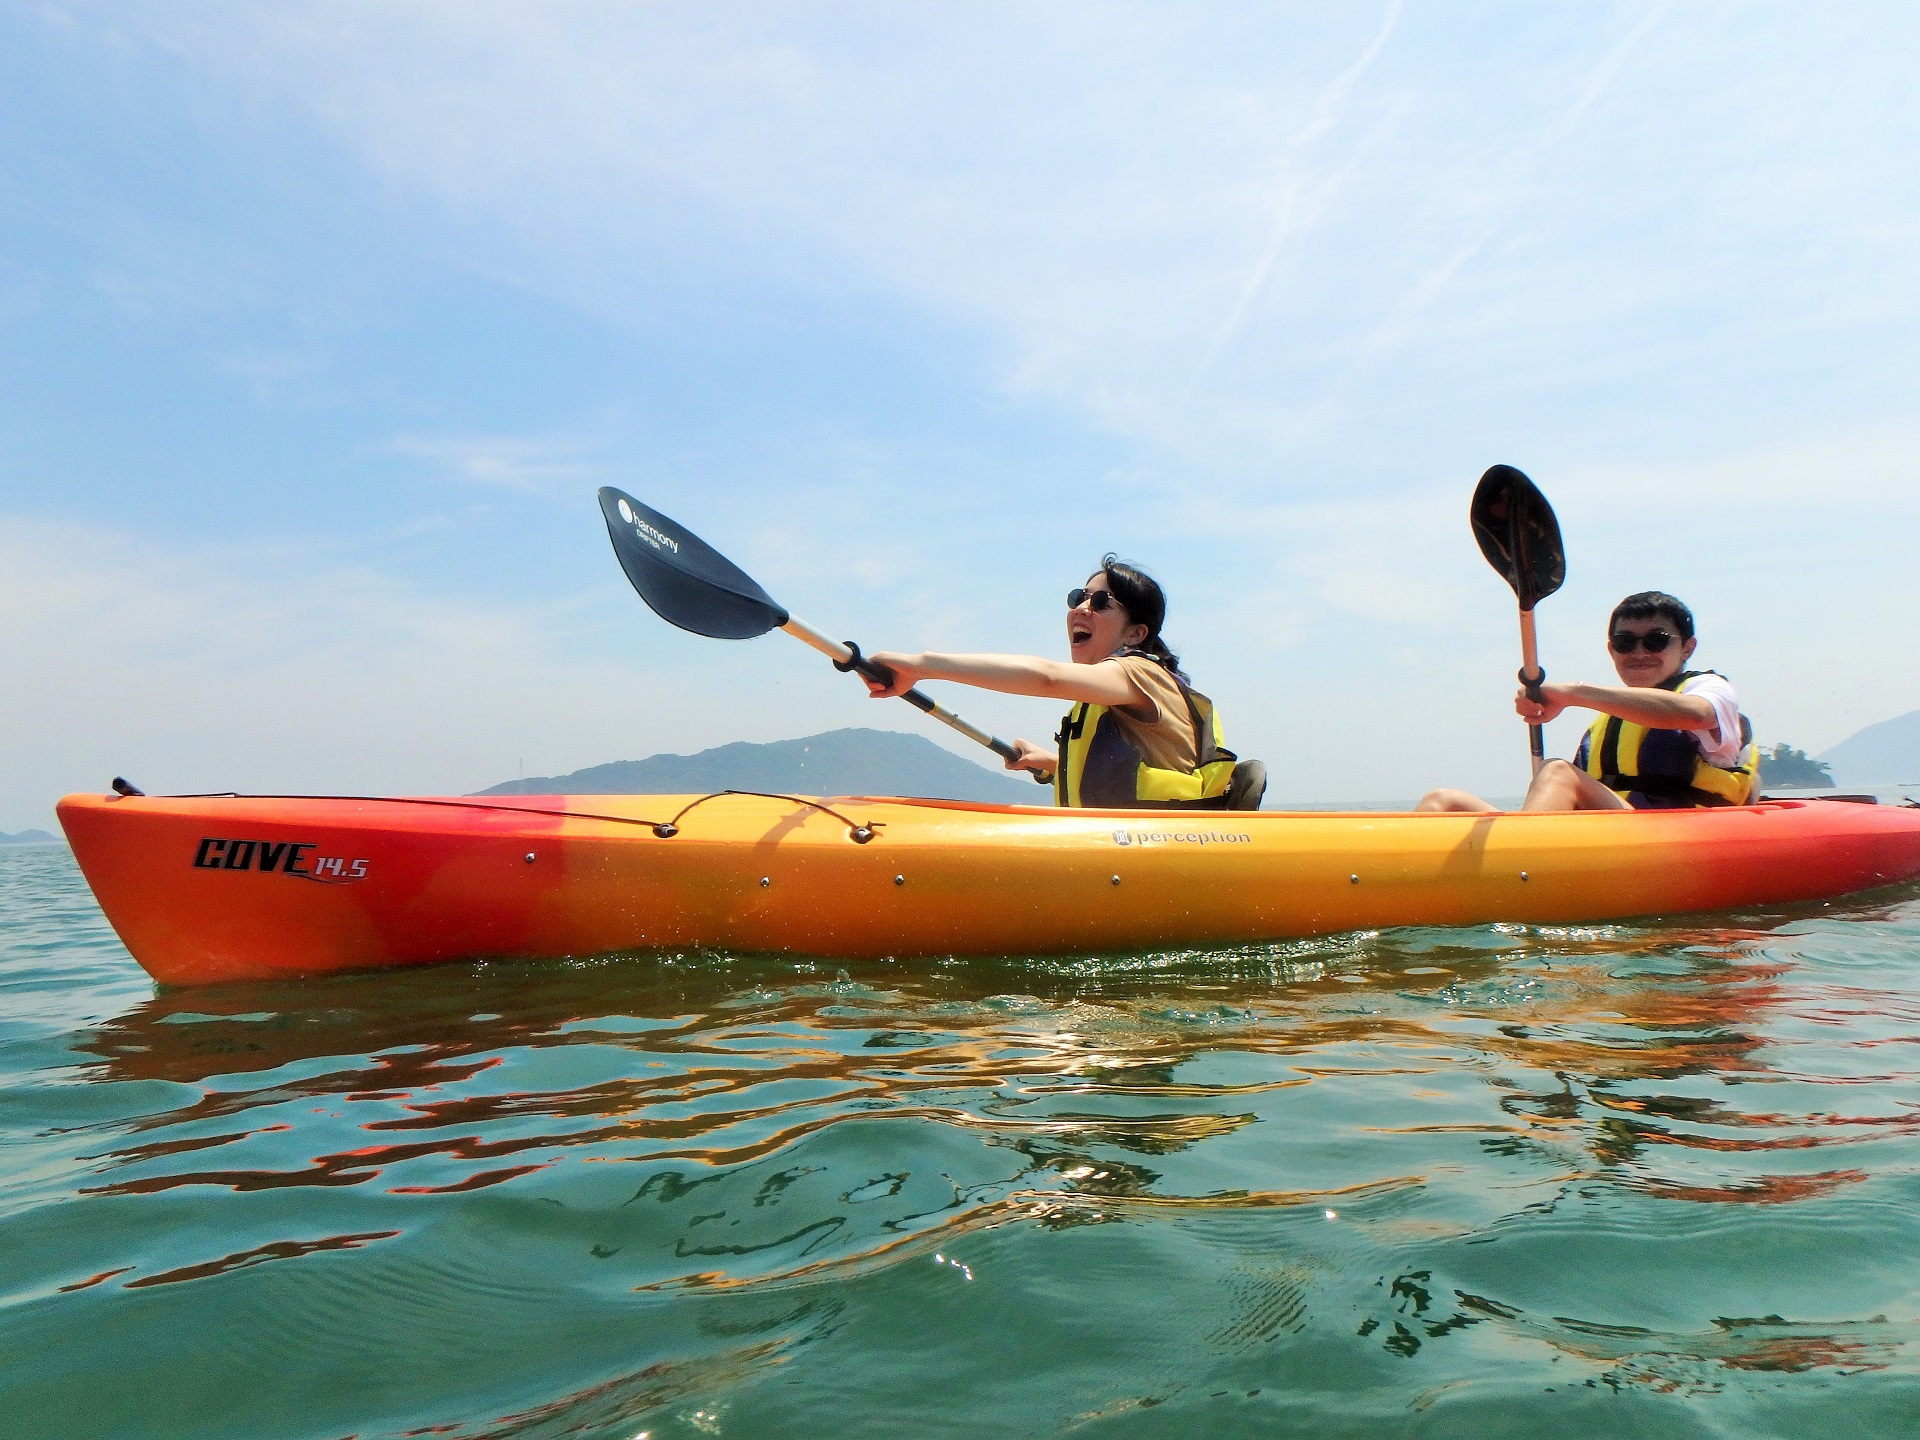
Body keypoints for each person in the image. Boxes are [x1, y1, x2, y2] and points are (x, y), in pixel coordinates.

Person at [862, 555, 1262, 809]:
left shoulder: (1142, 673)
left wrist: (921, 665)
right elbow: (1127, 774)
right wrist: (1056, 765)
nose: (1082, 608)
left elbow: (1047, 679)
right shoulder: (1111, 691)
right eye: (1079, 597)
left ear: (1135, 634)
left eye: (1101, 602)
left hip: (1150, 856)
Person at [1418, 591, 1759, 813]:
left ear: (1687, 647)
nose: (1639, 652)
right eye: (1625, 642)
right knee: (1443, 801)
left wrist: (1572, 694)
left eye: (1656, 640)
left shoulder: (1709, 689)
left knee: (1558, 772)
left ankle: (1519, 868)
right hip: (1609, 833)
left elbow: (1695, 715)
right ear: (1611, 649)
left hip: (1673, 835)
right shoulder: (1608, 719)